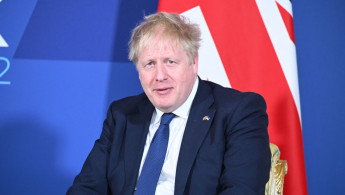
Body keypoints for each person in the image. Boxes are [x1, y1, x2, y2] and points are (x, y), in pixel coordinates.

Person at [67, 12, 271, 195]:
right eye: (149, 64)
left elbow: (242, 190)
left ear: (193, 62)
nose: (160, 76)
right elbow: (86, 188)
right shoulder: (122, 114)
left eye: (170, 62)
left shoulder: (238, 111)